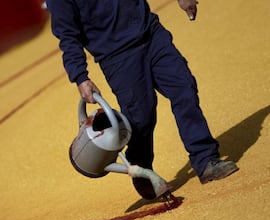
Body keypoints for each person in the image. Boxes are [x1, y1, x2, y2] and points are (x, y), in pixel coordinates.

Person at [46, 0, 239, 200]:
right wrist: (80, 77)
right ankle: (141, 169)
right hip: (117, 57)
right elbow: (67, 36)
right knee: (141, 119)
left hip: (151, 34)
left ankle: (206, 160)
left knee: (184, 89)